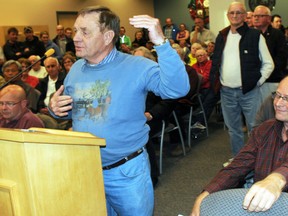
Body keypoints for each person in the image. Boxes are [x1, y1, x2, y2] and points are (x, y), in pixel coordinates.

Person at [48, 5, 189, 215]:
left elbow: (178, 88)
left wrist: (161, 42)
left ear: (107, 37)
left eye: (85, 32)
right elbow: (74, 110)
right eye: (76, 30)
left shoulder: (137, 66)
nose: (76, 37)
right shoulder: (76, 68)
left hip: (127, 172)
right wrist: (55, 108)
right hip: (87, 169)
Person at [191, 76, 288, 216]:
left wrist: (276, 179)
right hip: (261, 207)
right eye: (277, 95)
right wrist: (205, 195)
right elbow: (237, 166)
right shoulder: (265, 129)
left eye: (286, 98)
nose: (278, 103)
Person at [209, 2, 274, 157]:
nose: (235, 15)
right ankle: (239, 161)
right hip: (226, 92)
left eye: (239, 13)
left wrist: (257, 82)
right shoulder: (222, 36)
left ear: (245, 16)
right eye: (232, 13)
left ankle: (255, 161)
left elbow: (269, 64)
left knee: (254, 128)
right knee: (233, 130)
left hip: (250, 92)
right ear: (228, 15)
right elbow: (216, 61)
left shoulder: (255, 35)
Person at [253, 5, 288, 103]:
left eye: (260, 16)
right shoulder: (250, 34)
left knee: (270, 112)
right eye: (254, 15)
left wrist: (265, 74)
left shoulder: (277, 34)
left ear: (268, 19)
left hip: (271, 80)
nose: (256, 18)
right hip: (253, 81)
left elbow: (281, 59)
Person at [192, 49, 219, 128]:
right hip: (199, 89)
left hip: (212, 88)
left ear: (206, 55)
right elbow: (194, 79)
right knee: (195, 102)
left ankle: (200, 124)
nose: (200, 57)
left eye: (201, 55)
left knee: (207, 103)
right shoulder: (194, 66)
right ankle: (195, 122)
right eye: (198, 56)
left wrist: (198, 78)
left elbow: (205, 78)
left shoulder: (210, 64)